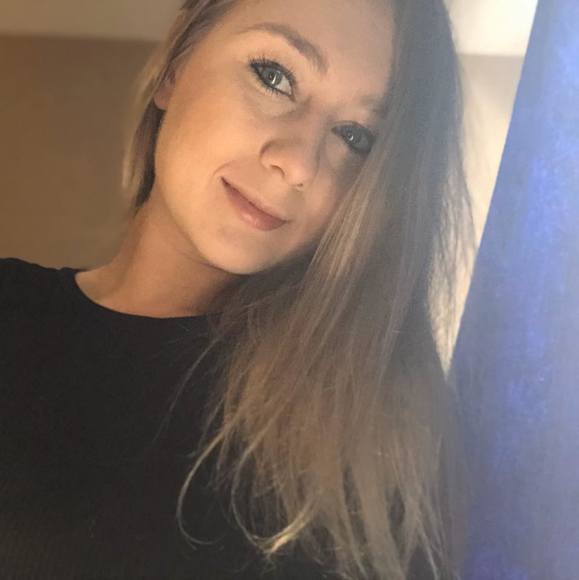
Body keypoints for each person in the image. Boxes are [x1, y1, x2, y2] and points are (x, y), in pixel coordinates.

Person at [0, 0, 475, 578]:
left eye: (355, 136)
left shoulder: (374, 427)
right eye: (274, 76)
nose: (298, 164)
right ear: (176, 67)